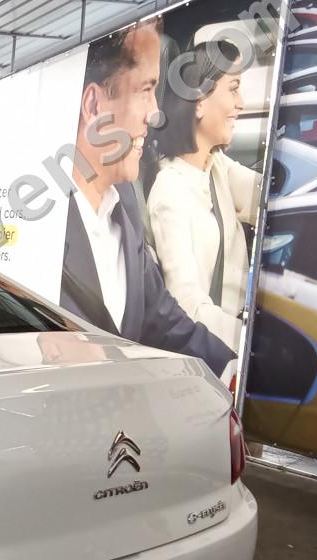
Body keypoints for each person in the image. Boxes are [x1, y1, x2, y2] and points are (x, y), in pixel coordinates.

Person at [60, 19, 236, 379]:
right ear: (93, 104)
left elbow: (162, 319)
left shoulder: (125, 202)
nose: (155, 113)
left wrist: (238, 367)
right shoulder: (41, 225)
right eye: (145, 90)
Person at [146, 40, 259, 352]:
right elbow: (188, 307)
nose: (241, 104)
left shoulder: (216, 166)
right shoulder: (170, 191)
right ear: (199, 101)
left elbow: (266, 198)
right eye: (233, 89)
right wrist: (254, 342)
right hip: (221, 351)